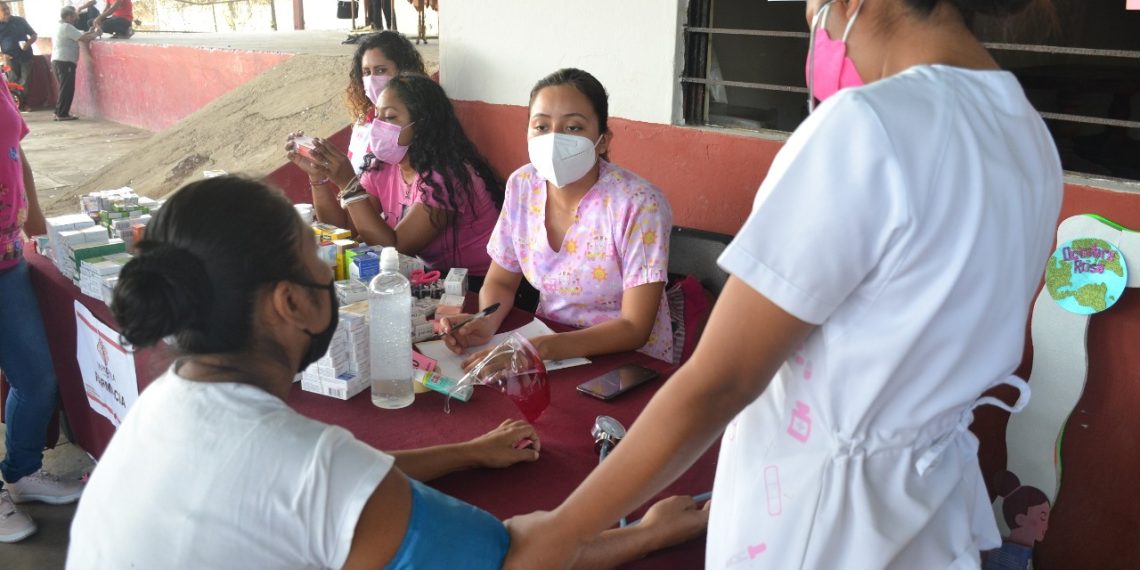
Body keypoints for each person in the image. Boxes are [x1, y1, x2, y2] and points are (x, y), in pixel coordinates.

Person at [500, 0, 1063, 568]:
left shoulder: (867, 126)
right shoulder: (1024, 130)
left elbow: (722, 381)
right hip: (927, 513)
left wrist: (567, 528)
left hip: (822, 519)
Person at [66, 176, 709, 568]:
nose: (328, 265)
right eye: (316, 253)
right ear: (289, 302)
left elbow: (333, 493)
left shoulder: (166, 401)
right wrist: (646, 533)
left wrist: (468, 452)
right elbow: (511, 556)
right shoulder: (307, 466)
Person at [442, 68, 675, 366]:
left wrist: (541, 350)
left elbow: (634, 327)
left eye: (574, 128)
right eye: (541, 126)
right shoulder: (522, 185)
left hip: (628, 363)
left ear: (602, 140)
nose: (554, 139)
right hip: (548, 347)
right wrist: (485, 323)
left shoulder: (639, 204)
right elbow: (500, 282)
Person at [287, 57, 501, 285]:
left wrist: (349, 185)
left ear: (422, 124)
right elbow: (342, 229)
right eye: (377, 116)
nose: (379, 125)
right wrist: (318, 176)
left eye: (389, 117)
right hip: (431, 274)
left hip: (479, 283)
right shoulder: (383, 165)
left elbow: (396, 248)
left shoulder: (446, 176)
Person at [0, 89, 85, 543]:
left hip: (7, 257)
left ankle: (23, 470)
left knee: (36, 378)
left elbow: (17, 153)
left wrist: (41, 232)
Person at [52, 6, 105, 121]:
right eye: (74, 15)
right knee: (67, 88)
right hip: (65, 61)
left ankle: (59, 112)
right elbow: (83, 38)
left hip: (59, 60)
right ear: (69, 16)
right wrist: (96, 34)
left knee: (64, 87)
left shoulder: (62, 26)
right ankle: (62, 113)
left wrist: (91, 32)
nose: (76, 18)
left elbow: (81, 35)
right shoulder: (67, 27)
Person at [0, 1, 36, 111]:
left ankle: (24, 104)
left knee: (24, 81)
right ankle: (15, 105)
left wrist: (28, 43)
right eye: (3, 9)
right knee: (13, 81)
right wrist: (2, 55)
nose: (7, 11)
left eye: (7, 8)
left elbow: (34, 35)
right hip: (9, 58)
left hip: (26, 56)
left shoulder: (20, 20)